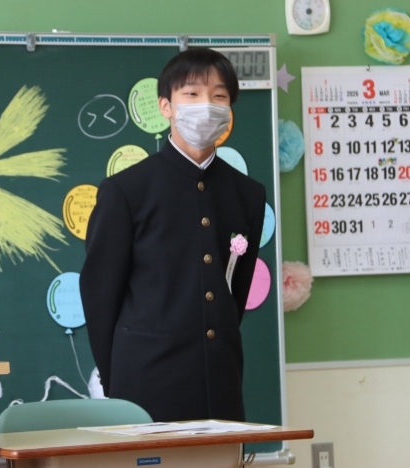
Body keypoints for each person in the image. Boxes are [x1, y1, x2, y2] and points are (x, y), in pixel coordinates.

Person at [80, 48, 266, 423]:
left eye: (219, 96)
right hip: (145, 385)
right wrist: (117, 380)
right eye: (192, 94)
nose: (206, 105)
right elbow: (100, 294)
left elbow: (235, 293)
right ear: (166, 106)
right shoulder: (127, 190)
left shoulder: (248, 193)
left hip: (221, 383)